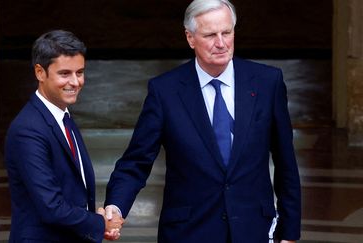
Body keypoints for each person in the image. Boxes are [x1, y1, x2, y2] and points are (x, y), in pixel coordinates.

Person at [103, 0, 301, 242]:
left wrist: (289, 232)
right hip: (188, 231)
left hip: (253, 229)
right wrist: (116, 206)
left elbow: (286, 162)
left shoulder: (267, 82)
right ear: (190, 38)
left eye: (226, 33)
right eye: (210, 35)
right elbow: (136, 161)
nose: (221, 43)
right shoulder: (165, 91)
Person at [5, 29, 123, 243]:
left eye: (80, 72)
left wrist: (93, 223)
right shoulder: (28, 130)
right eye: (65, 73)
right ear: (40, 72)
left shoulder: (63, 117)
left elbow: (74, 190)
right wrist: (99, 223)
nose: (76, 82)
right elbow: (51, 206)